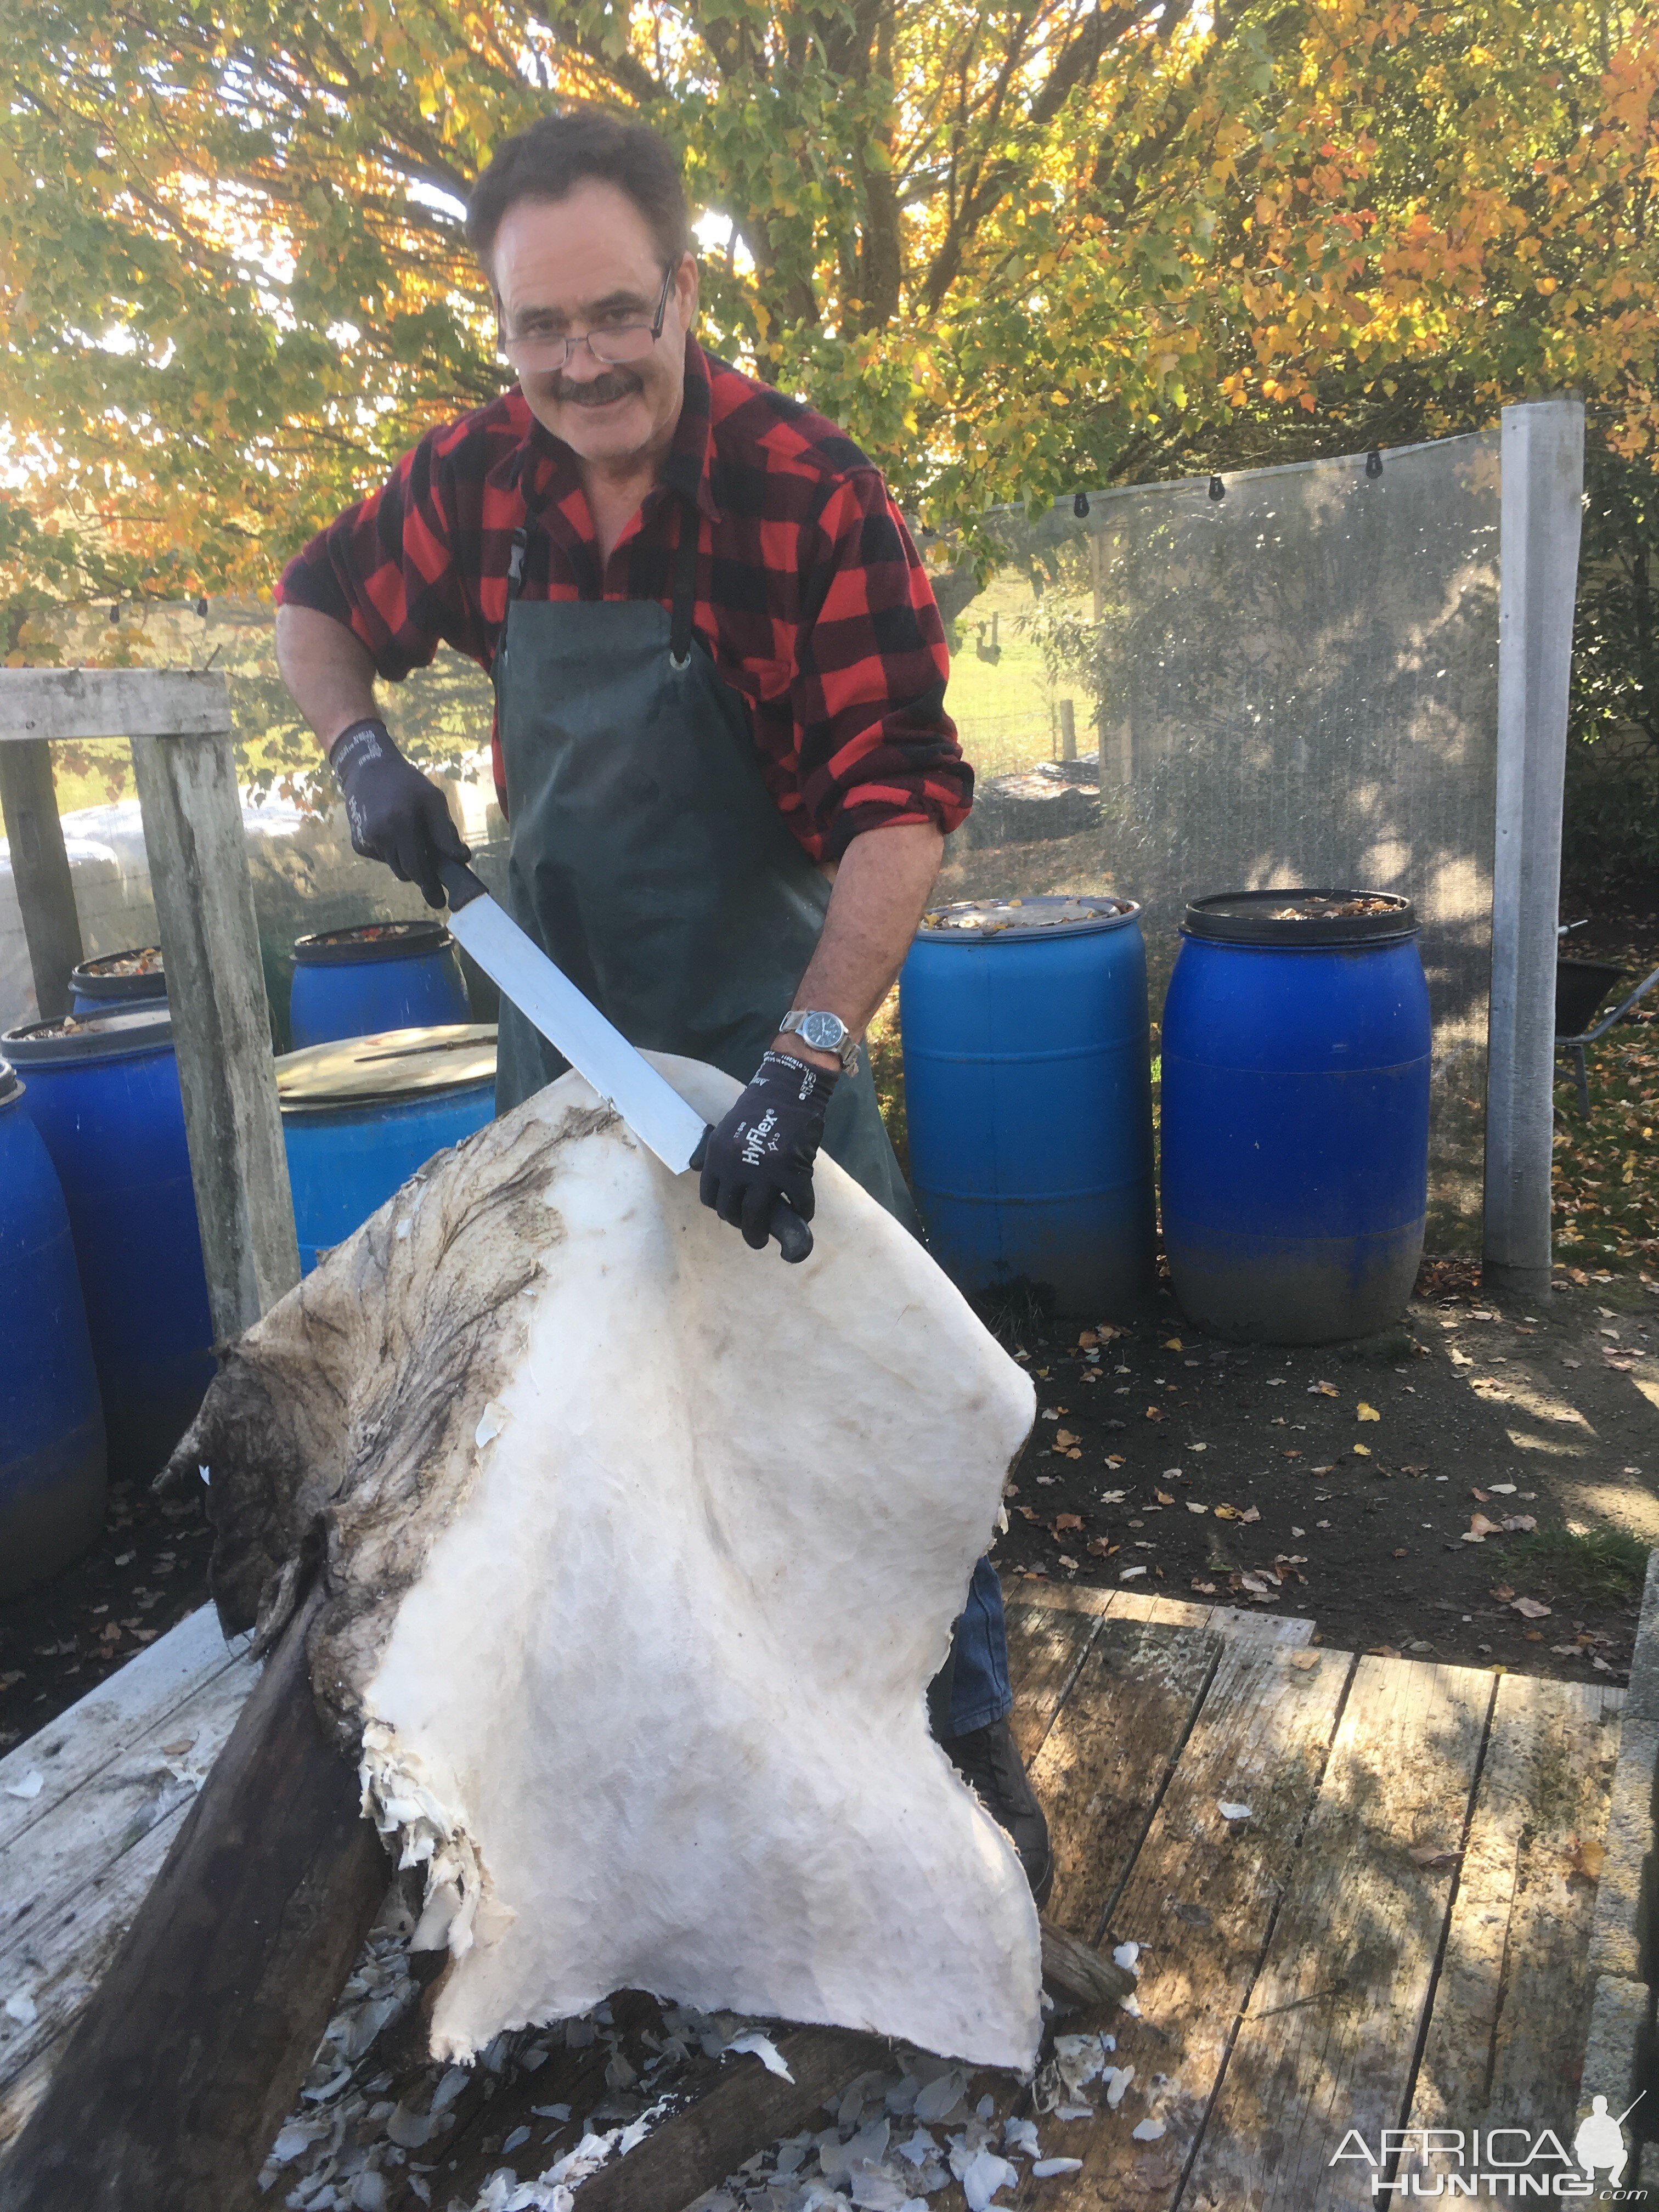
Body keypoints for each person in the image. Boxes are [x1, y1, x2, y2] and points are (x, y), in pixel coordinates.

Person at [273, 107, 1050, 1904]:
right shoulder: (478, 482)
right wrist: (359, 750)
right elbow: (316, 604)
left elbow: (903, 807)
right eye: (539, 330)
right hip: (567, 1064)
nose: (580, 362)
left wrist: (800, 1061)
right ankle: (666, 1807)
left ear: (684, 292)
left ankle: (975, 1779)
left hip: (775, 1046)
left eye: (614, 315)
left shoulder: (808, 494)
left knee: (871, 1410)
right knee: (597, 1423)